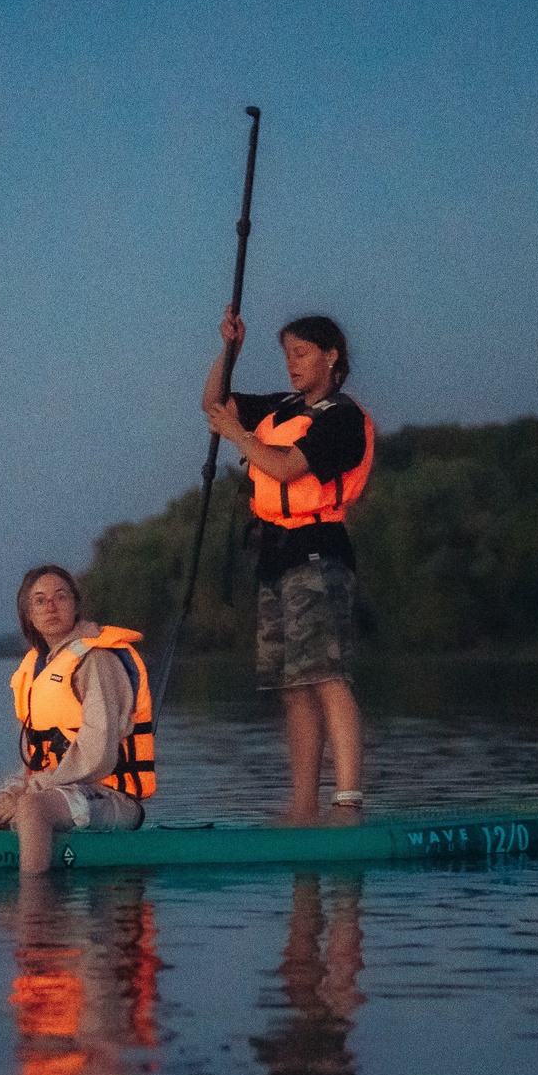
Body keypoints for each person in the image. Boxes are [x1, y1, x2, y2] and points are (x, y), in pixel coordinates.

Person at [202, 307, 377, 824]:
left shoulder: (340, 418)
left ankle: (346, 799)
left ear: (332, 356)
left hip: (320, 548)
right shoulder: (281, 407)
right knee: (293, 683)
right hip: (275, 554)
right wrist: (229, 351)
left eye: (301, 354)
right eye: (286, 355)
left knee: (325, 674)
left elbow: (282, 465)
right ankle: (303, 804)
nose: (291, 365)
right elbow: (214, 404)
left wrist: (238, 435)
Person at [0, 564, 153, 875]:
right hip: (48, 789)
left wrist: (27, 794)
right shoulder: (37, 667)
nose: (50, 606)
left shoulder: (97, 662)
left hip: (111, 797)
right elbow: (37, 759)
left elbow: (98, 757)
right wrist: (13, 790)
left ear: (76, 605)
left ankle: (35, 906)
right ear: (28, 613)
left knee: (30, 809)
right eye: (39, 600)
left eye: (60, 597)